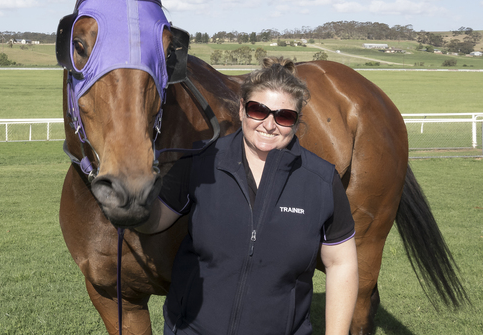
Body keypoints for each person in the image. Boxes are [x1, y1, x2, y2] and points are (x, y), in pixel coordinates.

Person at [137, 57, 358, 335]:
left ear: (296, 121)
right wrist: (128, 200)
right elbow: (153, 221)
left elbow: (341, 264)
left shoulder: (322, 181)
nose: (269, 124)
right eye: (258, 110)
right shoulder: (200, 163)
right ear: (242, 109)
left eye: (284, 116)